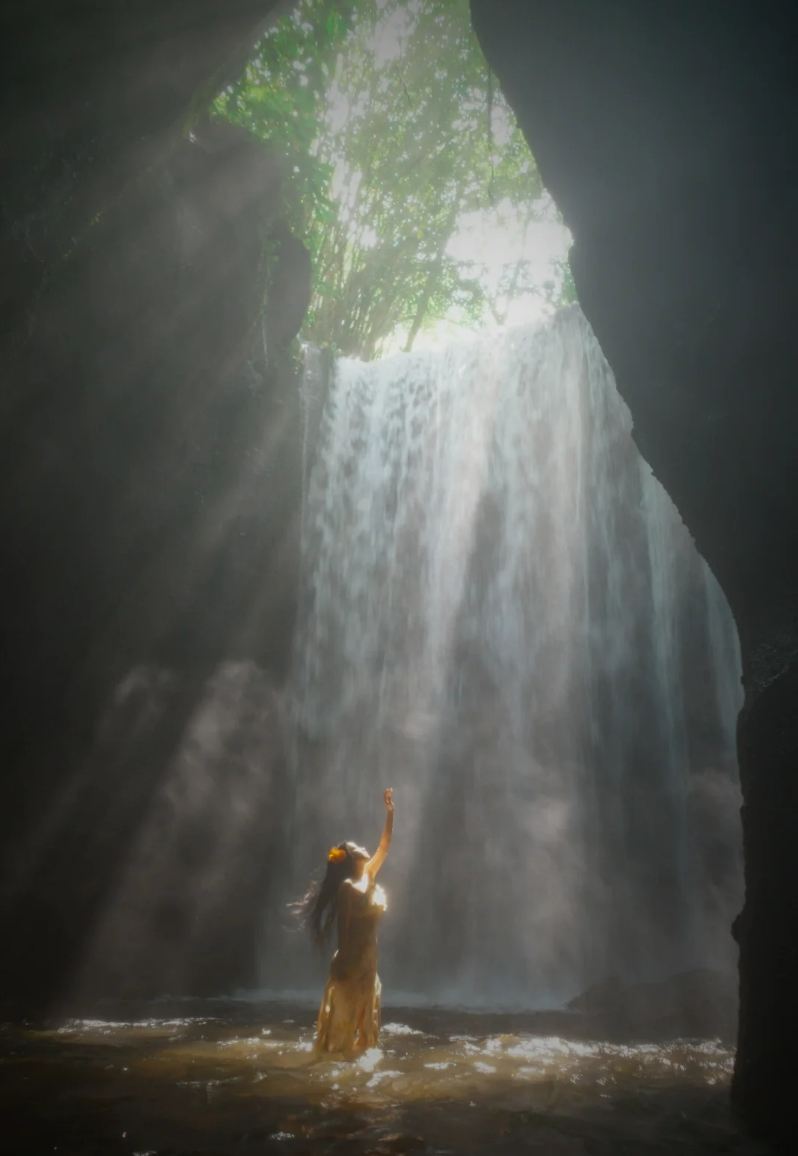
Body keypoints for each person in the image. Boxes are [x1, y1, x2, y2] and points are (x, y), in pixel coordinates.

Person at [305, 787, 394, 1056]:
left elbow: (385, 846)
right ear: (352, 858)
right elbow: (343, 927)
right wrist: (344, 961)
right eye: (358, 848)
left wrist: (391, 812)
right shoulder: (346, 887)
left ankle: (357, 1077)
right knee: (341, 1032)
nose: (365, 847)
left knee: (367, 1030)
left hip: (369, 961)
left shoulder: (369, 874)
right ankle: (333, 1074)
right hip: (352, 960)